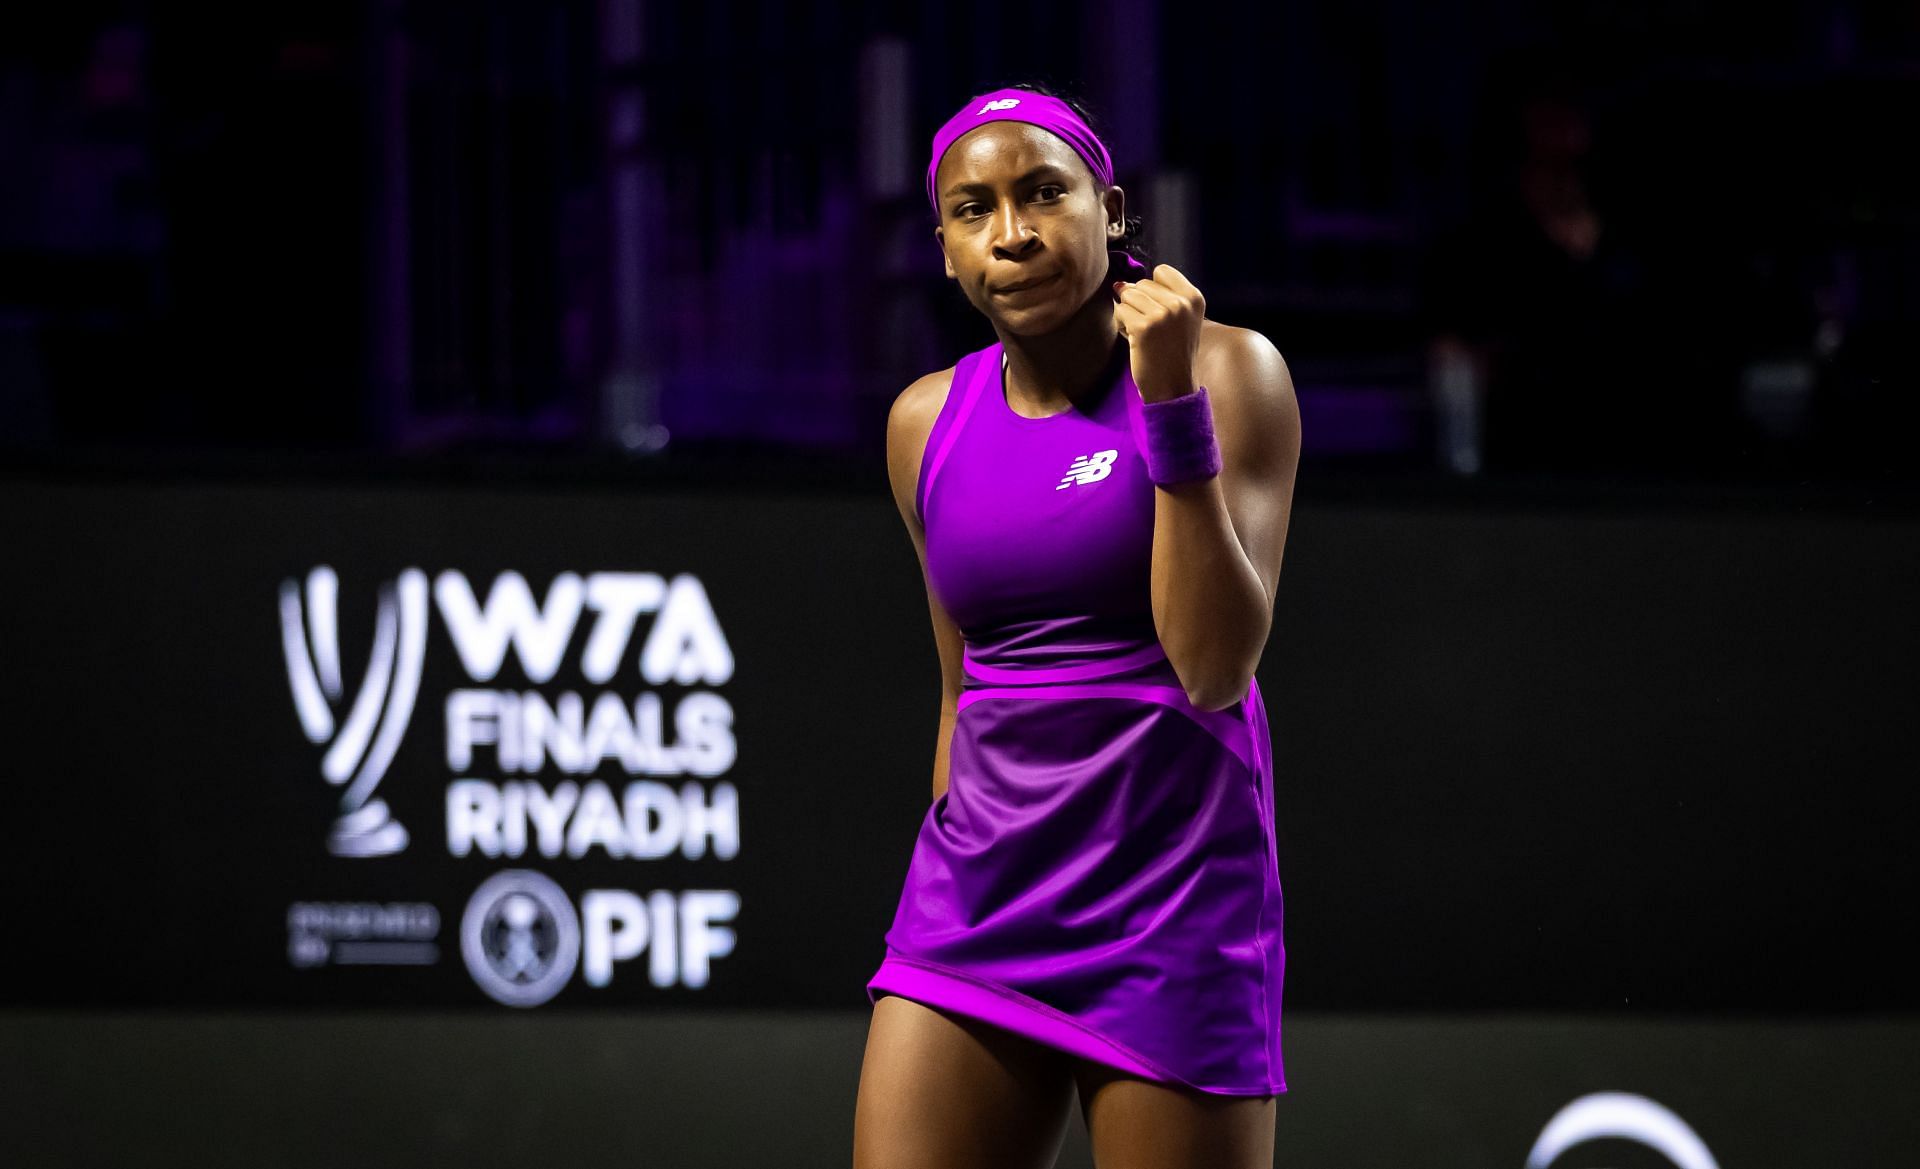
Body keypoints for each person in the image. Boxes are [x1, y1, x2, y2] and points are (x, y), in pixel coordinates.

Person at [851, 82, 1300, 1169]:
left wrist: (1169, 410)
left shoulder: (1231, 369)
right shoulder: (923, 421)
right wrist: (959, 859)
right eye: (973, 209)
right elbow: (961, 689)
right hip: (978, 900)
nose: (1012, 234)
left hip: (1170, 900)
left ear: (1111, 211)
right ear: (948, 251)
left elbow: (1212, 663)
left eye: (1044, 193)